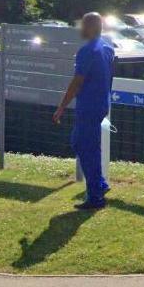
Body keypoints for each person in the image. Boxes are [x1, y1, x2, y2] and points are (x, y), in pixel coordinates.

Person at [53, 12, 115, 210]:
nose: (80, 29)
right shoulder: (107, 46)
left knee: (83, 145)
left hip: (88, 106)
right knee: (89, 145)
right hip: (100, 104)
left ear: (89, 27)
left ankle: (95, 196)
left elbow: (77, 82)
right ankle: (100, 184)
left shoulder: (87, 51)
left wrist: (61, 106)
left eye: (82, 25)